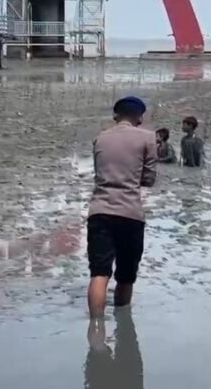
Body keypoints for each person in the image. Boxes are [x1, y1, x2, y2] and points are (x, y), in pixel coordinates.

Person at [88, 96, 157, 320]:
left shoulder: (100, 138)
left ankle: (95, 330)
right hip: (130, 213)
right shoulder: (147, 138)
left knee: (99, 273)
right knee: (126, 276)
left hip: (100, 211)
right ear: (139, 117)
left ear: (116, 115)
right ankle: (123, 326)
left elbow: (98, 172)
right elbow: (148, 179)